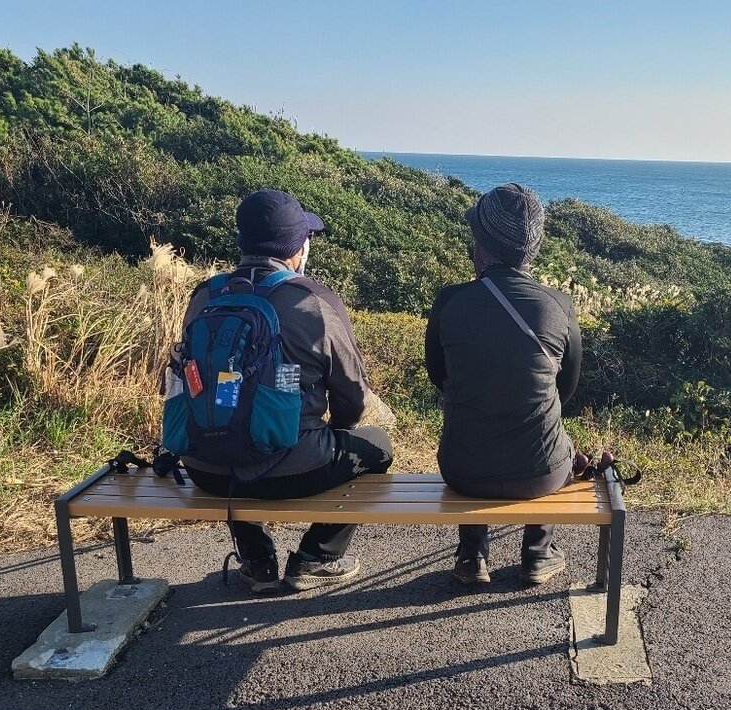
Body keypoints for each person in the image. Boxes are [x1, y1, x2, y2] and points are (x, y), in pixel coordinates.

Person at [182, 189, 392, 593]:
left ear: (242, 243)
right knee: (378, 447)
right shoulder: (313, 301)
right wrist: (337, 429)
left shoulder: (205, 296)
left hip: (204, 468)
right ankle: (318, 555)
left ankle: (257, 559)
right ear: (298, 247)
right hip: (295, 468)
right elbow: (354, 398)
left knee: (227, 432)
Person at [424, 183, 582, 585]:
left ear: (480, 245)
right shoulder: (560, 306)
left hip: (463, 470)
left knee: (472, 420)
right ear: (533, 249)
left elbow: (438, 378)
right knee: (557, 438)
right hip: (540, 473)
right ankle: (537, 554)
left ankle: (472, 555)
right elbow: (565, 392)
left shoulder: (450, 302)